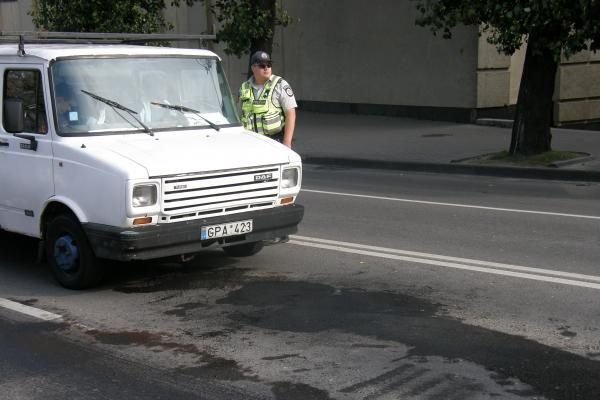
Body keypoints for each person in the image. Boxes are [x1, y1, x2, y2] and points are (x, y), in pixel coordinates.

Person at [239, 51, 297, 148]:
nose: (266, 68)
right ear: (253, 68)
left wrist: (287, 143)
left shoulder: (280, 85)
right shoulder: (244, 88)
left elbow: (291, 114)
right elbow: (239, 115)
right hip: (250, 143)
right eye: (262, 65)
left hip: (275, 142)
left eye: (269, 64)